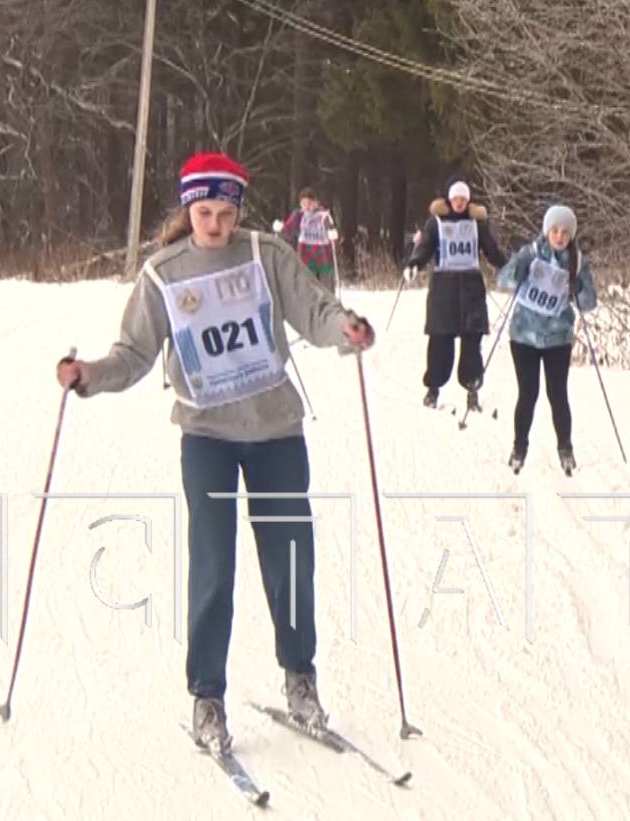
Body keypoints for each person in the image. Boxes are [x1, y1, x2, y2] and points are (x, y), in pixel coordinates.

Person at [55, 151, 376, 754]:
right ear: (188, 209)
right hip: (206, 435)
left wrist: (347, 331)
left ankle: (299, 678)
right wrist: (89, 375)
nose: (216, 226)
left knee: (289, 560)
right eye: (205, 212)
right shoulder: (163, 273)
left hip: (275, 429)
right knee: (213, 564)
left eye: (226, 213)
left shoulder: (266, 254)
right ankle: (208, 696)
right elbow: (134, 353)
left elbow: (316, 311)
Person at [494, 204, 597, 475]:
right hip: (524, 336)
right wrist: (516, 271)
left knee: (557, 394)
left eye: (565, 232)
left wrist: (579, 289)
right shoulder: (530, 253)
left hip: (557, 339)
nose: (559, 236)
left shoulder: (578, 262)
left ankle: (565, 448)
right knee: (528, 394)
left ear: (571, 235)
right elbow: (502, 280)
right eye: (555, 230)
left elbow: (589, 303)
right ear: (546, 230)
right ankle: (519, 448)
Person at [403, 180, 508, 411]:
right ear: (450, 200)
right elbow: (426, 247)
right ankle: (433, 390)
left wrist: (507, 266)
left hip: (471, 288)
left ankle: (472, 391)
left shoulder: (477, 224)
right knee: (440, 341)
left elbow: (491, 250)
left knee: (472, 342)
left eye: (463, 199)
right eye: (456, 199)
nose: (459, 203)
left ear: (468, 200)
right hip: (444, 289)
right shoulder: (436, 223)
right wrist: (414, 264)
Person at [277, 187, 338, 290]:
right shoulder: (299, 215)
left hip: (323, 257)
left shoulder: (323, 215)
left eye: (309, 203)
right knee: (308, 288)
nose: (306, 207)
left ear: (315, 203)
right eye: (303, 203)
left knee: (326, 288)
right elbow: (289, 229)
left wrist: (333, 233)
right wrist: (281, 227)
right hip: (306, 257)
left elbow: (330, 228)